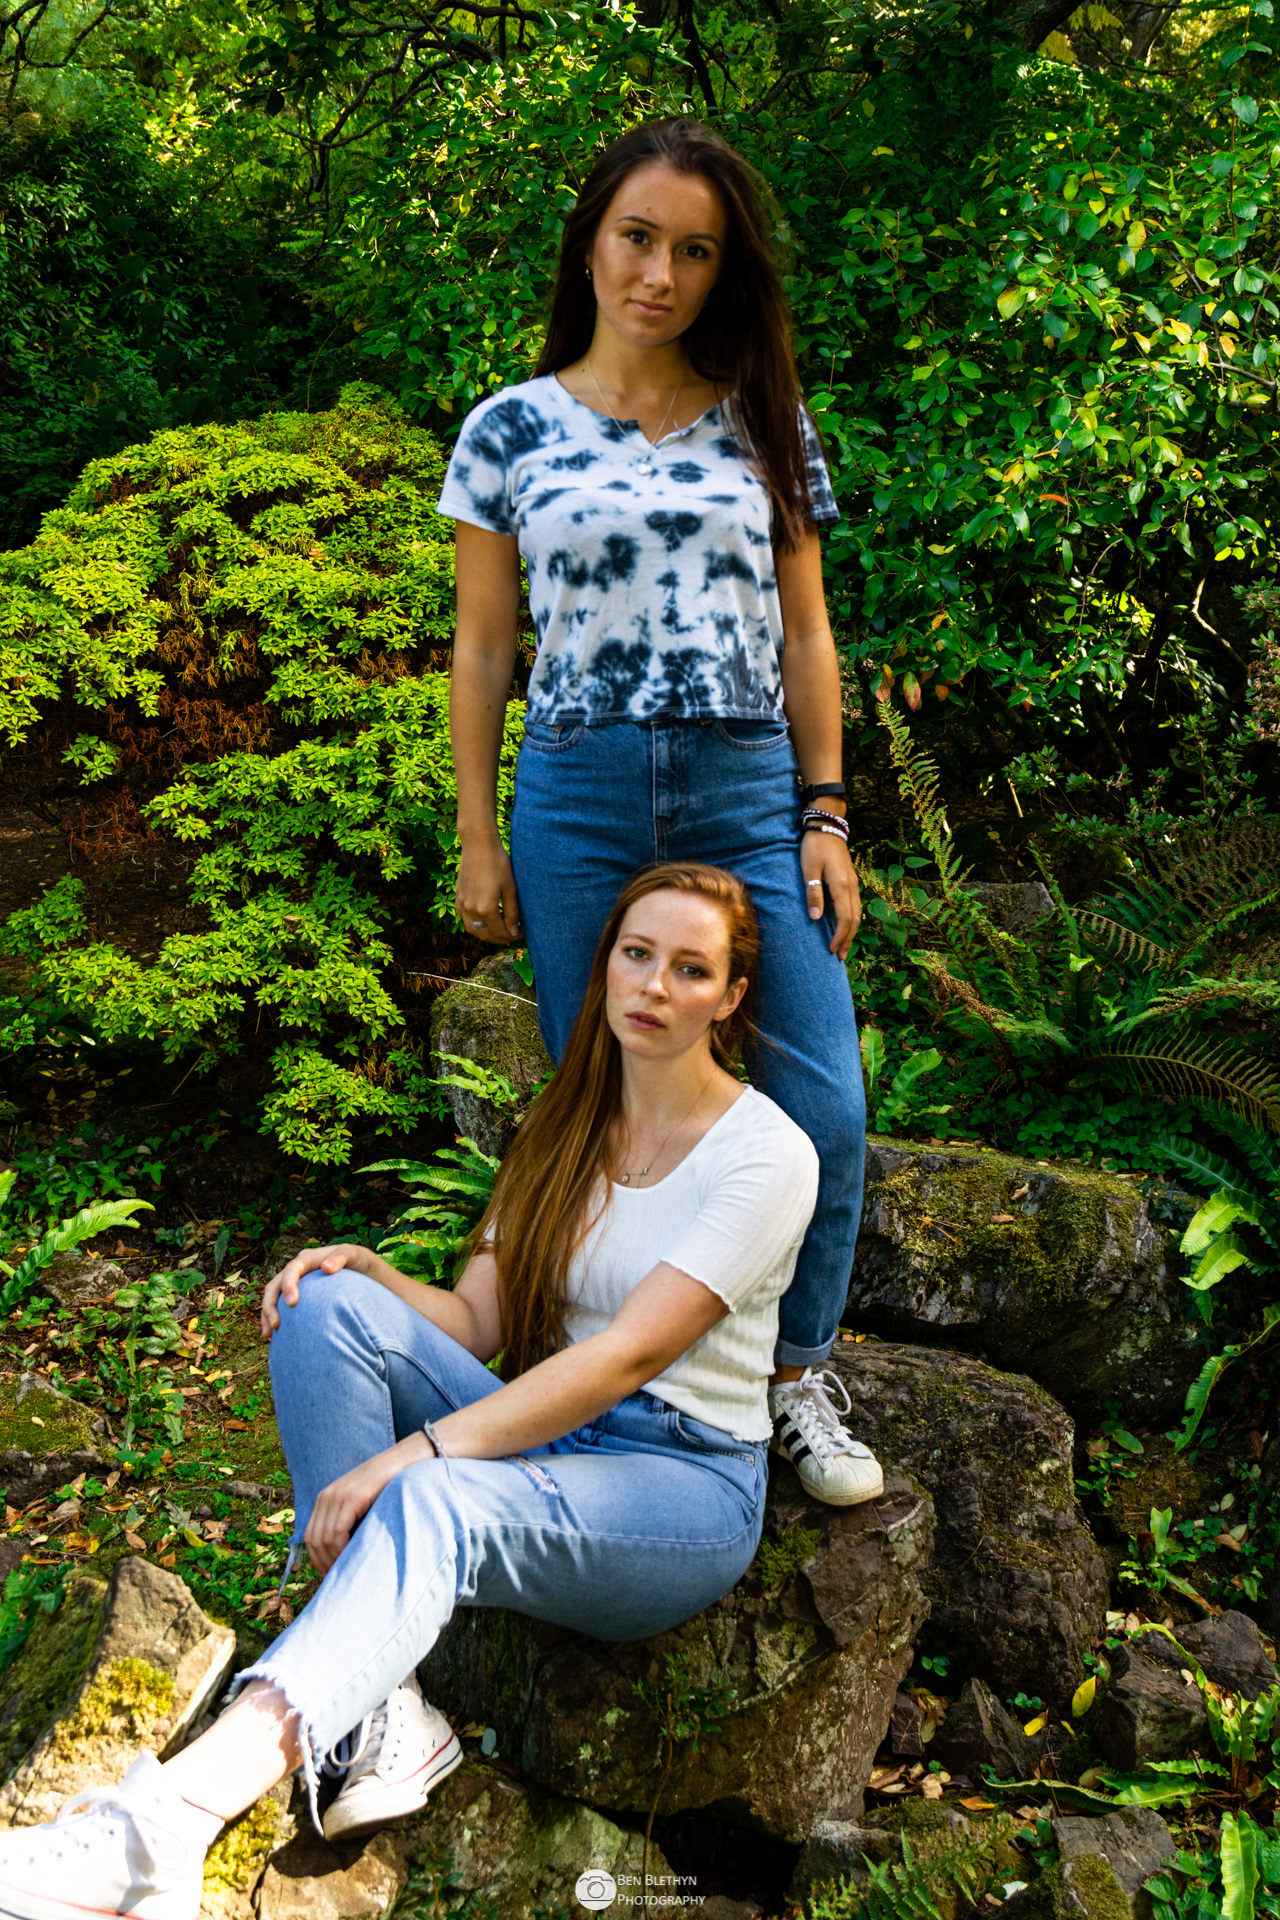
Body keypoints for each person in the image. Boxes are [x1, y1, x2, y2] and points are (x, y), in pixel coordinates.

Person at [0, 864, 831, 1920]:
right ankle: (385, 1703)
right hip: (552, 1444)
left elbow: (625, 1356)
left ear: (730, 996)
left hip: (679, 1486)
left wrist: (417, 1453)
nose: (655, 985)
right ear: (607, 963)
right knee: (324, 1306)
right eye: (637, 953)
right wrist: (373, 1274)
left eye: (690, 969)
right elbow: (477, 1323)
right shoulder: (564, 1128)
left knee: (434, 1497)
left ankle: (161, 1829)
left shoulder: (767, 1153)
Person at [443, 116, 880, 1505]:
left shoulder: (764, 423)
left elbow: (806, 634)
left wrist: (825, 813)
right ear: (590, 242)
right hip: (576, 788)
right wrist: (477, 832)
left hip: (745, 785)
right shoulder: (508, 429)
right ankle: (588, 1373)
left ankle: (794, 1375)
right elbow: (483, 649)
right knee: (599, 1102)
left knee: (824, 1100)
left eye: (694, 252)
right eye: (638, 238)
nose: (660, 274)